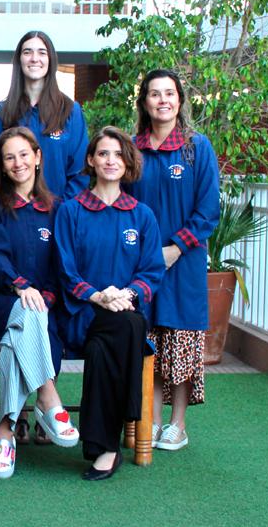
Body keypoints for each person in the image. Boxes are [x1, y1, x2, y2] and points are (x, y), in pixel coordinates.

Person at [54, 127, 164, 481]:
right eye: (103, 153)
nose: (111, 160)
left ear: (127, 162)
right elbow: (65, 270)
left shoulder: (142, 215)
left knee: (111, 342)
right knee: (125, 328)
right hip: (83, 315)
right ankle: (122, 425)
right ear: (91, 160)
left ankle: (104, 447)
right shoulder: (71, 211)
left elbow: (152, 271)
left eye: (118, 154)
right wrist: (99, 296)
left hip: (124, 313)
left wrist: (126, 295)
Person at [0, 127, 79, 480]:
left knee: (16, 338)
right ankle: (48, 396)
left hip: (40, 308)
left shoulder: (57, 208)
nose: (17, 163)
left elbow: (61, 265)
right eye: (9, 157)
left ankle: (6, 435)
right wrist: (20, 287)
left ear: (37, 157)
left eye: (23, 154)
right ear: (1, 165)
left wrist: (42, 297)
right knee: (28, 316)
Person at [127, 69, 219, 451]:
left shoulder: (197, 148)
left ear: (180, 100)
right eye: (154, 93)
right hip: (143, 264)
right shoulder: (132, 150)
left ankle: (177, 425)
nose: (162, 100)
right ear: (144, 102)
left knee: (180, 341)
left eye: (169, 93)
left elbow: (208, 210)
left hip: (185, 264)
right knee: (149, 340)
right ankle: (151, 418)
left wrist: (176, 248)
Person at [0, 30, 90, 203]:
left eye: (42, 52)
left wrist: (62, 211)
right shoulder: (2, 113)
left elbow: (80, 173)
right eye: (27, 52)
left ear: (50, 60)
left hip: (58, 214)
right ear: (19, 60)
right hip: (11, 214)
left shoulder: (70, 111)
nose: (34, 58)